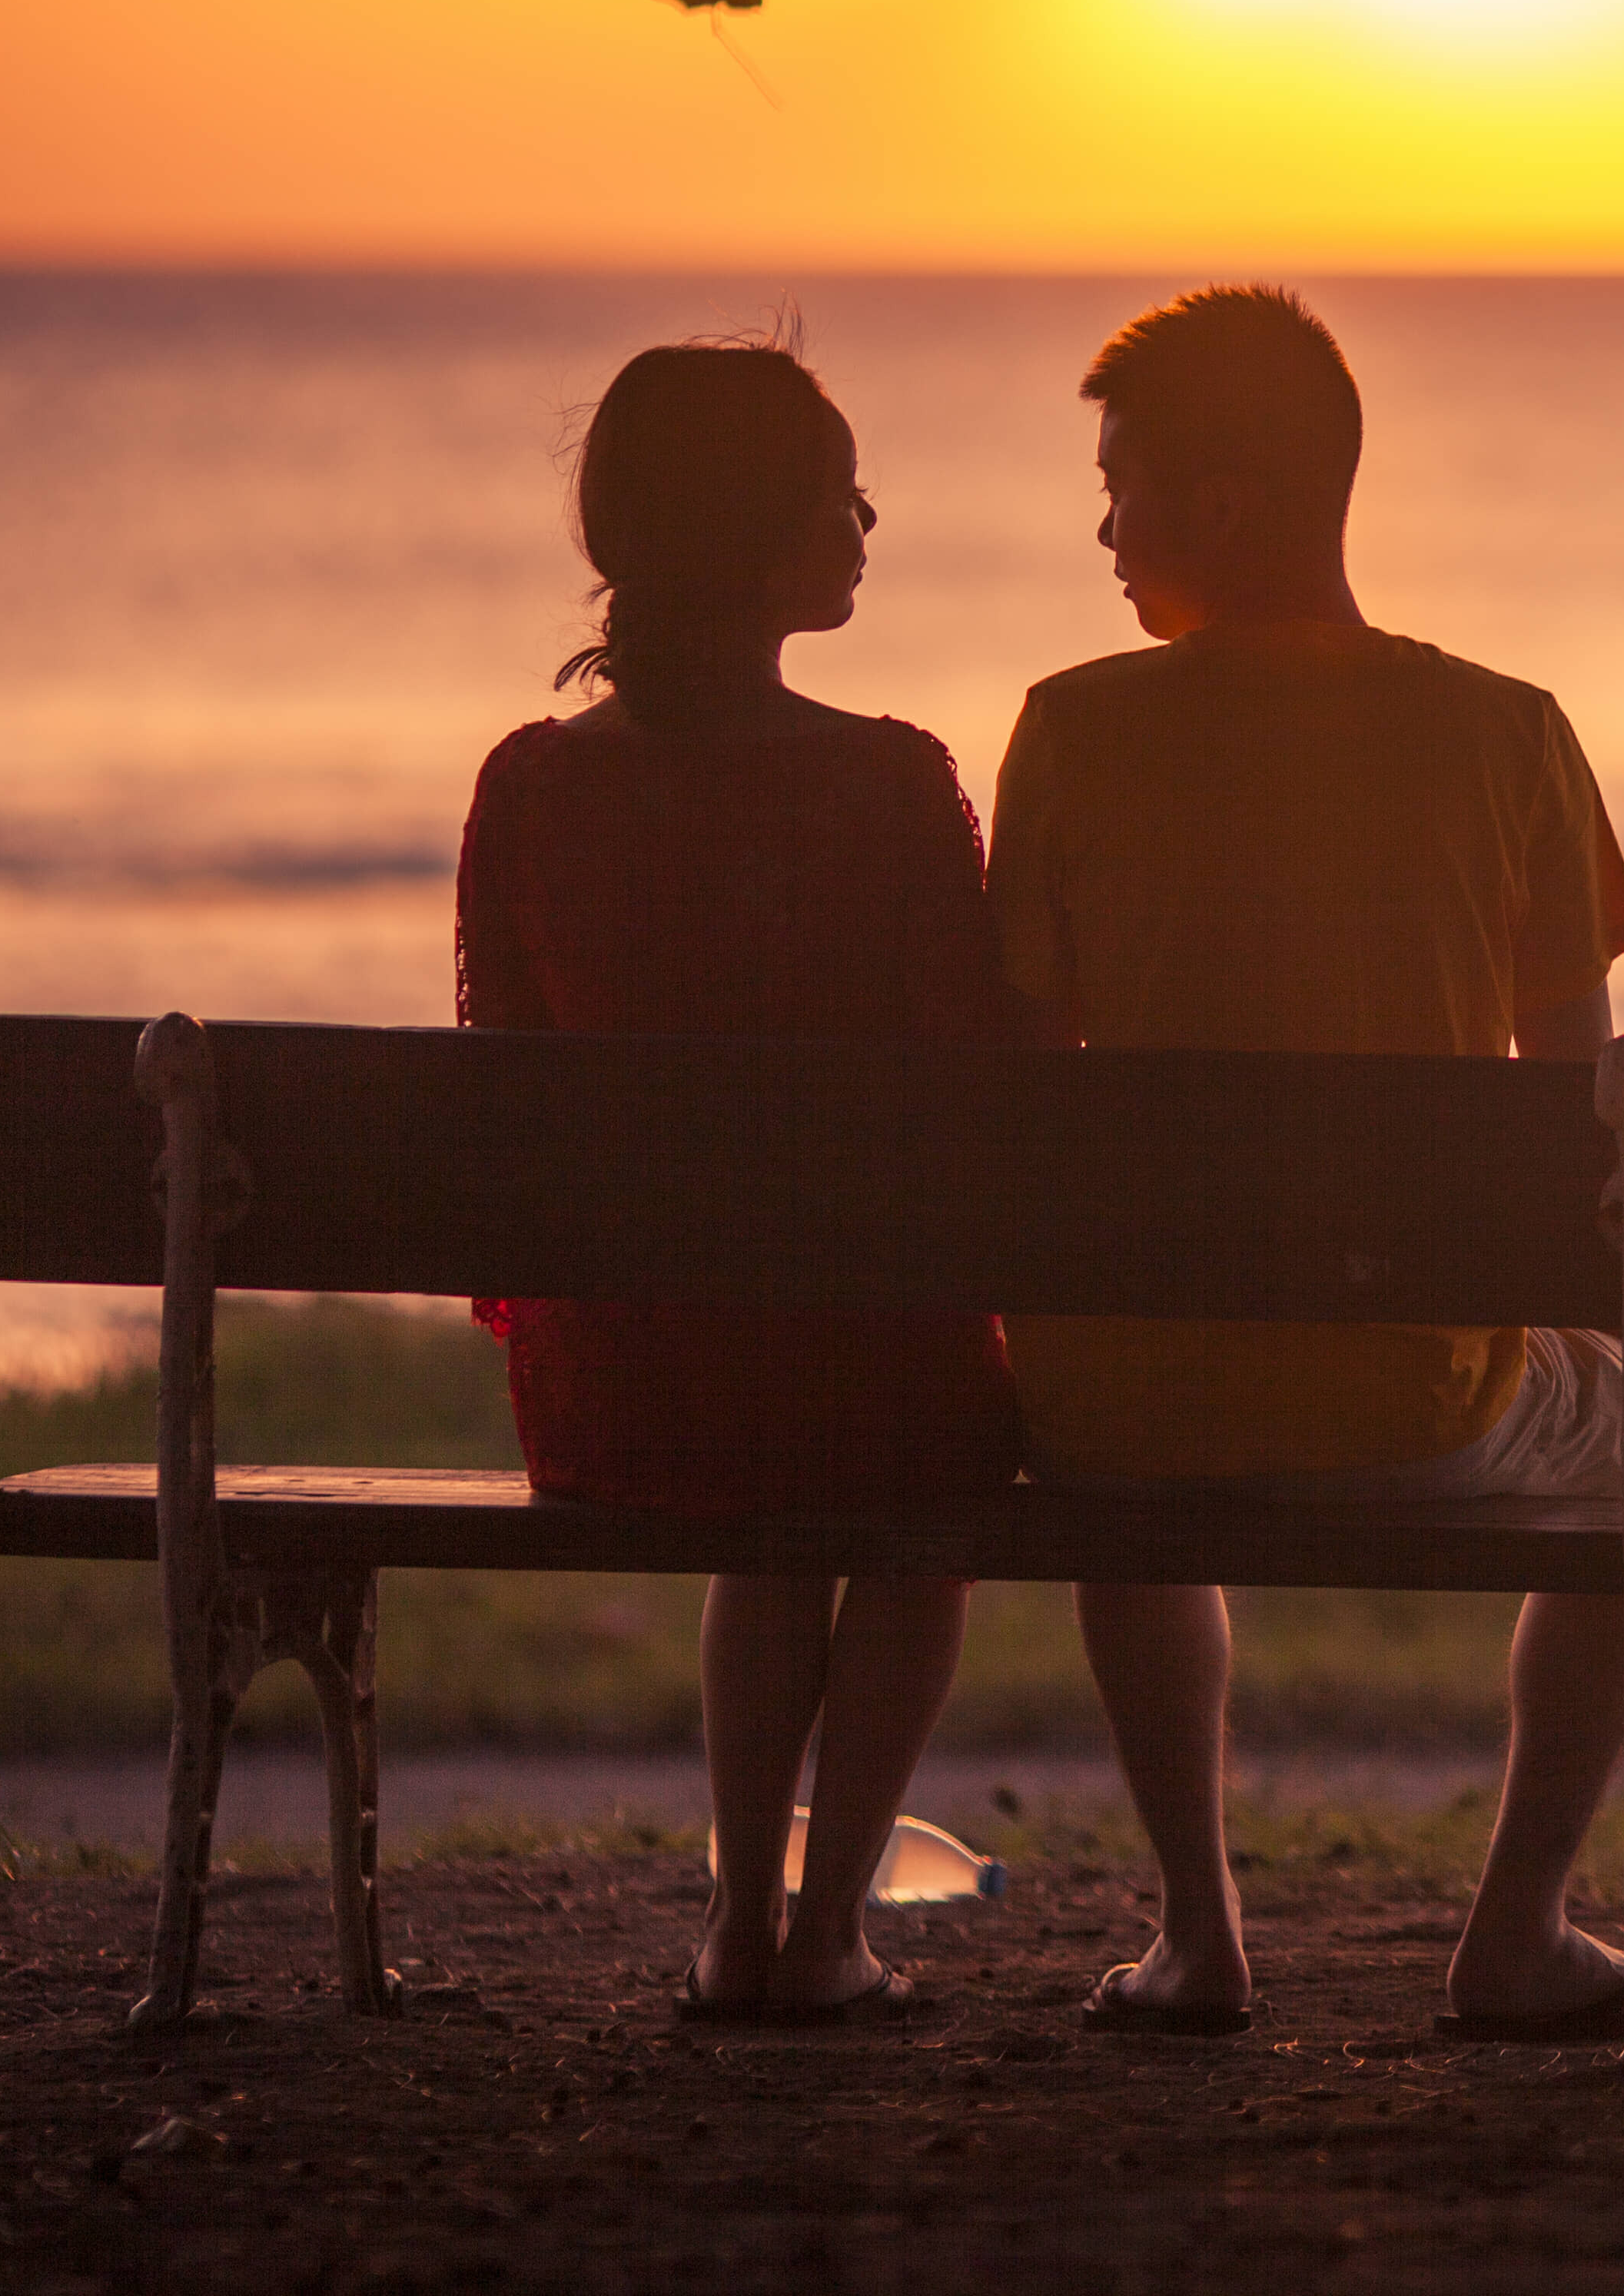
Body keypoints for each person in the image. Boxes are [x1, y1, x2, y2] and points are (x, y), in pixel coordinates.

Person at [988, 286, 1624, 2044]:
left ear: (1221, 504)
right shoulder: (1511, 733)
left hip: (1119, 1405)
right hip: (1414, 1403)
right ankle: (1519, 1926)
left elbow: (1005, 1098)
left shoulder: (1071, 731)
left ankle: (1199, 1935)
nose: (1099, 522)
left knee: (1141, 1379)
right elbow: (1575, 1118)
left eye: (1122, 481)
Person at [455, 341, 1025, 2023]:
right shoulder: (889, 782)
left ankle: (732, 1925)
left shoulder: (532, 786)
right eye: (835, 499)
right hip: (864, 1372)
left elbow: (511, 1094)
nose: (863, 529)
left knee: (765, 1446)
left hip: (622, 1384)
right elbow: (978, 1097)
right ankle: (827, 1927)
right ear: (754, 536)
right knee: (917, 1509)